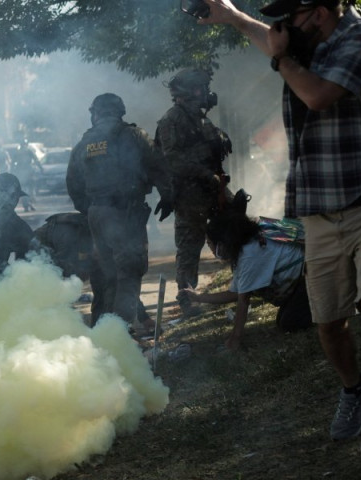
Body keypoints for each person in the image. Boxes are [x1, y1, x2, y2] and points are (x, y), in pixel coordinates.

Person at [201, 0, 361, 469]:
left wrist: (282, 59)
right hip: (320, 209)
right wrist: (230, 15)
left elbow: (318, 94)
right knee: (328, 324)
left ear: (319, 11)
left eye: (290, 15)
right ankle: (356, 387)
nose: (283, 26)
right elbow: (271, 40)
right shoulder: (307, 47)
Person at [67, 93, 174, 331]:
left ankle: (101, 331)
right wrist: (168, 195)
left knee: (105, 276)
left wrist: (92, 209)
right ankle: (120, 335)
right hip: (125, 213)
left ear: (95, 114)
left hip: (97, 213)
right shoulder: (134, 136)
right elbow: (158, 166)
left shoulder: (83, 143)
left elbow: (73, 184)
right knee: (128, 273)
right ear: (120, 111)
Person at [179, 190, 311, 351]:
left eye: (210, 243)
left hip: (312, 278)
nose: (210, 248)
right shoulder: (247, 245)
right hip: (303, 283)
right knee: (285, 320)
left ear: (223, 242)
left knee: (289, 323)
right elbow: (236, 292)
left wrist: (235, 338)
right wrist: (199, 298)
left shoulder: (250, 252)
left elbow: (243, 299)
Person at [155, 68, 233, 320]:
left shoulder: (199, 118)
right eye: (199, 89)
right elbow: (172, 160)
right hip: (190, 194)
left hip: (214, 187)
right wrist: (202, 173)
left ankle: (244, 283)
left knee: (237, 225)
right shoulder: (172, 120)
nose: (204, 94)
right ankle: (187, 297)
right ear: (186, 92)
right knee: (190, 245)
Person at [33, 211, 155, 331]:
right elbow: (64, 279)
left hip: (72, 257)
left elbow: (124, 287)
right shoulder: (71, 239)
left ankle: (99, 329)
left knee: (104, 286)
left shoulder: (105, 252)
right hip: (37, 254)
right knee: (48, 294)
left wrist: (144, 318)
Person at [0, 173, 35, 276]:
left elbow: (24, 267)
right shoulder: (19, 227)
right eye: (14, 196)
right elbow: (26, 268)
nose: (16, 200)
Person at [9, 139, 43, 212]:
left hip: (21, 172)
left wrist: (12, 172)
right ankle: (29, 204)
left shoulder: (17, 152)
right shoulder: (29, 151)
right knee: (30, 188)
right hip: (28, 171)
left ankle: (27, 205)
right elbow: (36, 160)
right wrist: (41, 168)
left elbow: (12, 164)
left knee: (24, 188)